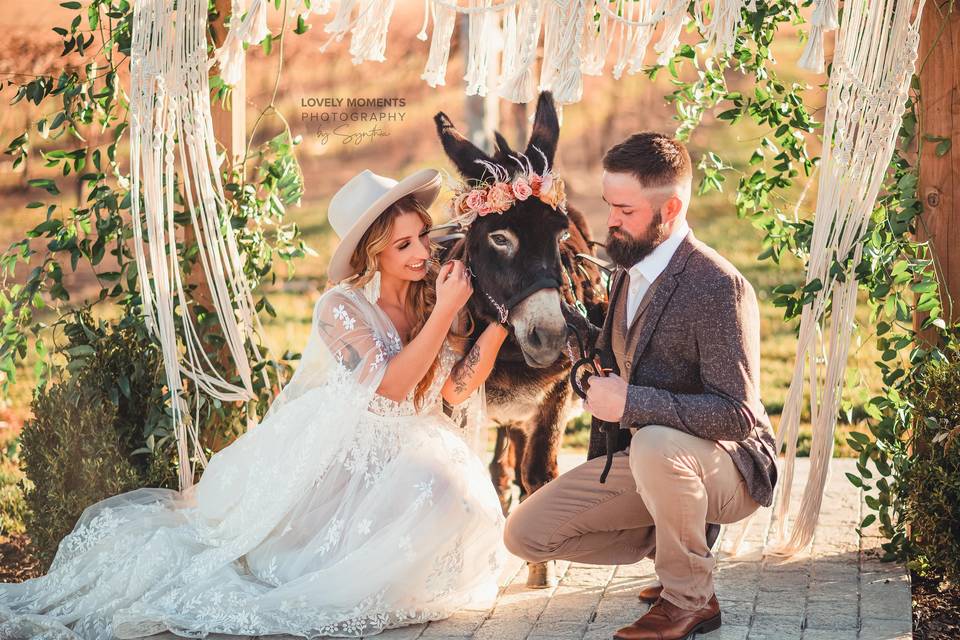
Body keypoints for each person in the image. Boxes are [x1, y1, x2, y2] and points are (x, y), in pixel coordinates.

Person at [0, 168, 511, 640]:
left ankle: (385, 574)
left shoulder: (429, 296)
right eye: (404, 244)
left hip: (401, 442)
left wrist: (497, 328)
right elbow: (391, 387)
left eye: (423, 235)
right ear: (375, 252)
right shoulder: (341, 307)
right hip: (337, 454)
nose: (422, 251)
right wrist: (447, 310)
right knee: (430, 489)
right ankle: (329, 569)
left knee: (456, 494)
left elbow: (452, 390)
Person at [504, 133, 778, 640]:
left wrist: (631, 402)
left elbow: (738, 414)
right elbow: (614, 360)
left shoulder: (718, 286)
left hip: (731, 469)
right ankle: (682, 553)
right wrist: (581, 353)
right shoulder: (631, 269)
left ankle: (687, 598)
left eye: (624, 210)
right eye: (609, 205)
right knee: (524, 535)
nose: (611, 221)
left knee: (653, 441)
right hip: (658, 465)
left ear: (669, 208)